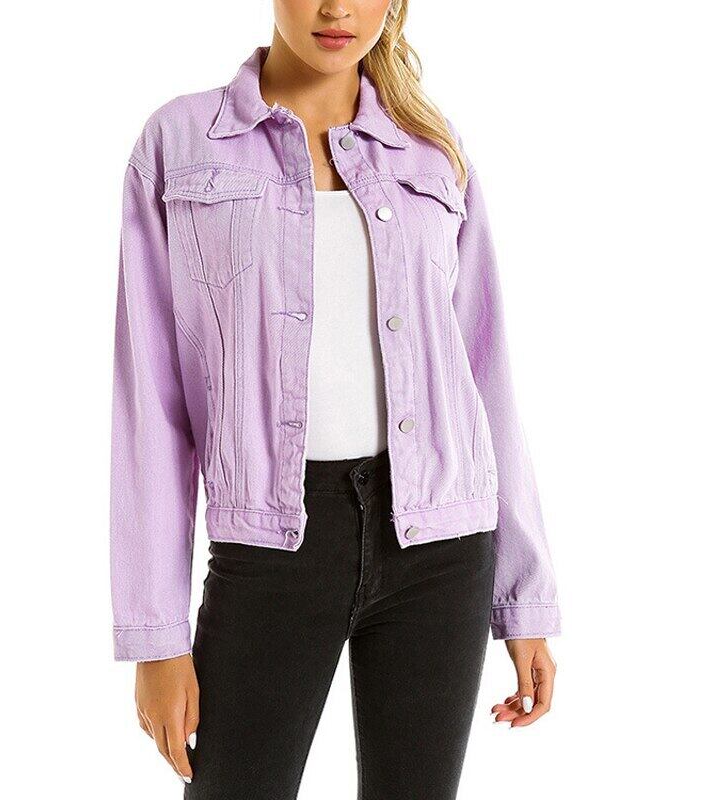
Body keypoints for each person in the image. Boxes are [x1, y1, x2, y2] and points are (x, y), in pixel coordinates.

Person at [109, 2, 560, 797]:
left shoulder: (432, 150)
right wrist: (156, 637)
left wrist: (524, 600)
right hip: (271, 549)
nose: (336, 8)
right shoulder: (179, 144)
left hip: (441, 545)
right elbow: (151, 402)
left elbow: (486, 377)